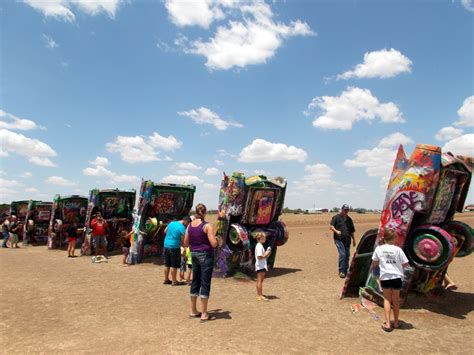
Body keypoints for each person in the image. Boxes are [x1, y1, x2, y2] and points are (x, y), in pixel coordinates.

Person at [183, 204, 219, 322]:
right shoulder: (207, 226)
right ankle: (204, 313)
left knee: (195, 281)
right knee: (205, 283)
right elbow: (213, 244)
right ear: (205, 213)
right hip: (205, 255)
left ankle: (193, 310)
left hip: (193, 255)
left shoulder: (189, 226)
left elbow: (185, 243)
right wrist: (217, 240)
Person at [372, 228, 409, 332]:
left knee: (387, 299)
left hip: (385, 277)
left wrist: (375, 271)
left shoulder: (379, 249)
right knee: (395, 300)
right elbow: (406, 264)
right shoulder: (398, 250)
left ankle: (388, 323)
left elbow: (374, 263)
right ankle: (396, 323)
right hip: (397, 277)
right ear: (394, 238)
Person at [163, 216, 191, 285]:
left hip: (166, 245)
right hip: (174, 247)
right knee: (174, 264)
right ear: (186, 221)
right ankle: (174, 281)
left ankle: (166, 279)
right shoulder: (182, 227)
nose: (187, 226)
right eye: (188, 224)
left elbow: (165, 231)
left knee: (167, 264)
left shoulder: (171, 223)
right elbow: (186, 237)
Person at [329, 204, 355, 278]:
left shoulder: (349, 219)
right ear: (342, 209)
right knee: (342, 254)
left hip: (347, 240)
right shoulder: (336, 217)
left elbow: (352, 231)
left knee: (347, 256)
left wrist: (354, 239)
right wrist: (336, 231)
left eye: (347, 210)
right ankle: (341, 271)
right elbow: (331, 226)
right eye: (345, 210)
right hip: (339, 240)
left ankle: (345, 271)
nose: (346, 211)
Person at [255, 232, 272, 301]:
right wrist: (266, 254)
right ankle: (259, 295)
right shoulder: (259, 246)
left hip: (261, 265)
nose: (264, 239)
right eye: (263, 237)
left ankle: (260, 294)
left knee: (260, 281)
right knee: (260, 281)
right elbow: (259, 257)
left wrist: (267, 253)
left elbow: (262, 256)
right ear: (260, 238)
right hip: (260, 266)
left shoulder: (259, 246)